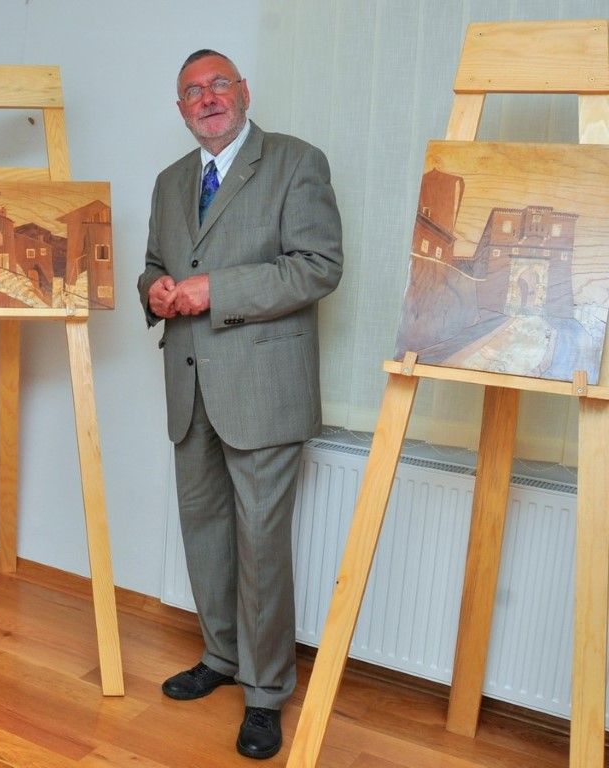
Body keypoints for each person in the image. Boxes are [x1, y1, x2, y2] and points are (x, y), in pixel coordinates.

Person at [138, 49, 343, 760]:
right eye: (192, 90)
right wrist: (154, 291)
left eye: (218, 83)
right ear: (181, 108)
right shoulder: (170, 181)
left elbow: (318, 267)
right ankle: (222, 657)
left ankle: (265, 691)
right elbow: (156, 264)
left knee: (260, 545)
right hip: (189, 386)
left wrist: (215, 290)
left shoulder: (296, 161)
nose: (207, 97)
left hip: (264, 390)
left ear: (244, 91)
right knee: (205, 533)